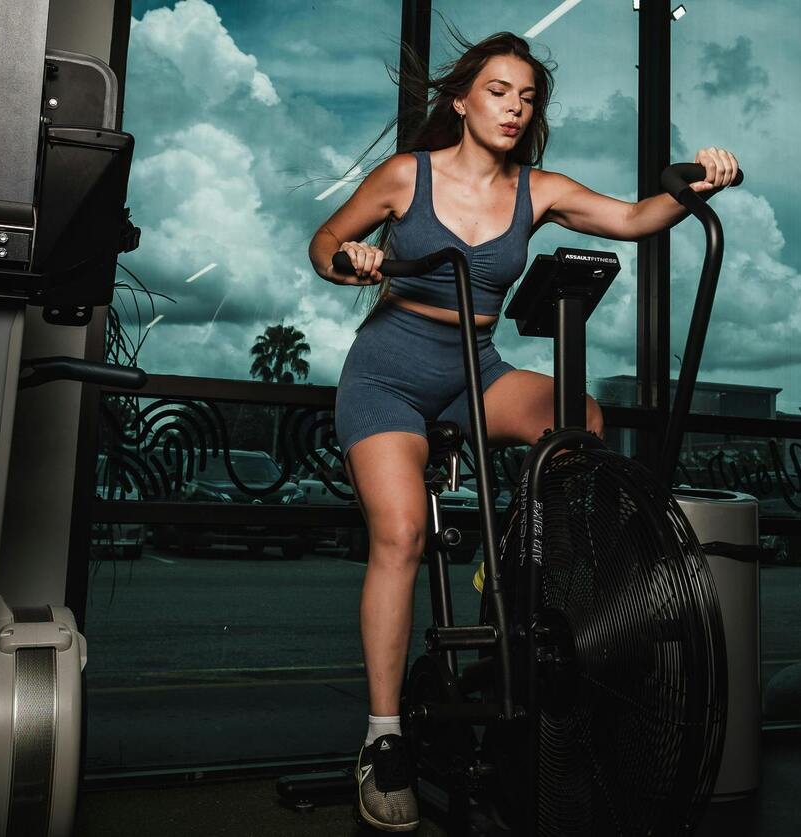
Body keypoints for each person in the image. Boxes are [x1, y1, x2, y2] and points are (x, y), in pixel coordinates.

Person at [308, 30, 738, 833]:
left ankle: (517, 561)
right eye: (499, 92)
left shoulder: (538, 191)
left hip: (477, 368)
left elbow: (638, 217)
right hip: (390, 375)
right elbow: (322, 241)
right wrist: (354, 260)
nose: (514, 107)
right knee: (399, 534)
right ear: (463, 101)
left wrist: (698, 182)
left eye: (527, 96)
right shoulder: (408, 176)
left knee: (582, 420)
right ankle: (383, 738)